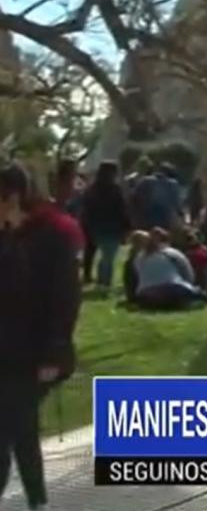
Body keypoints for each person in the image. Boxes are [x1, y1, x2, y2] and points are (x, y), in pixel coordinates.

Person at [0, 162, 83, 510]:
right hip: (7, 349)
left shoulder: (52, 236)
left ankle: (37, 501)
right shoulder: (7, 234)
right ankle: (38, 501)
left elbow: (64, 298)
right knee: (19, 428)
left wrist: (53, 351)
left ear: (12, 197)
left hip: (36, 353)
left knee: (11, 427)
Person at [79, 161, 131, 288]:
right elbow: (122, 209)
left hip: (94, 226)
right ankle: (104, 281)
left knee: (94, 253)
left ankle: (94, 278)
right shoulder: (116, 190)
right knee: (108, 257)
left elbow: (86, 208)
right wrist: (126, 226)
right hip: (112, 227)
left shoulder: (91, 190)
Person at [131, 228, 207, 310]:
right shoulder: (171, 253)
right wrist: (189, 286)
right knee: (197, 293)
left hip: (144, 294)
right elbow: (188, 272)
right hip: (171, 290)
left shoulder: (138, 258)